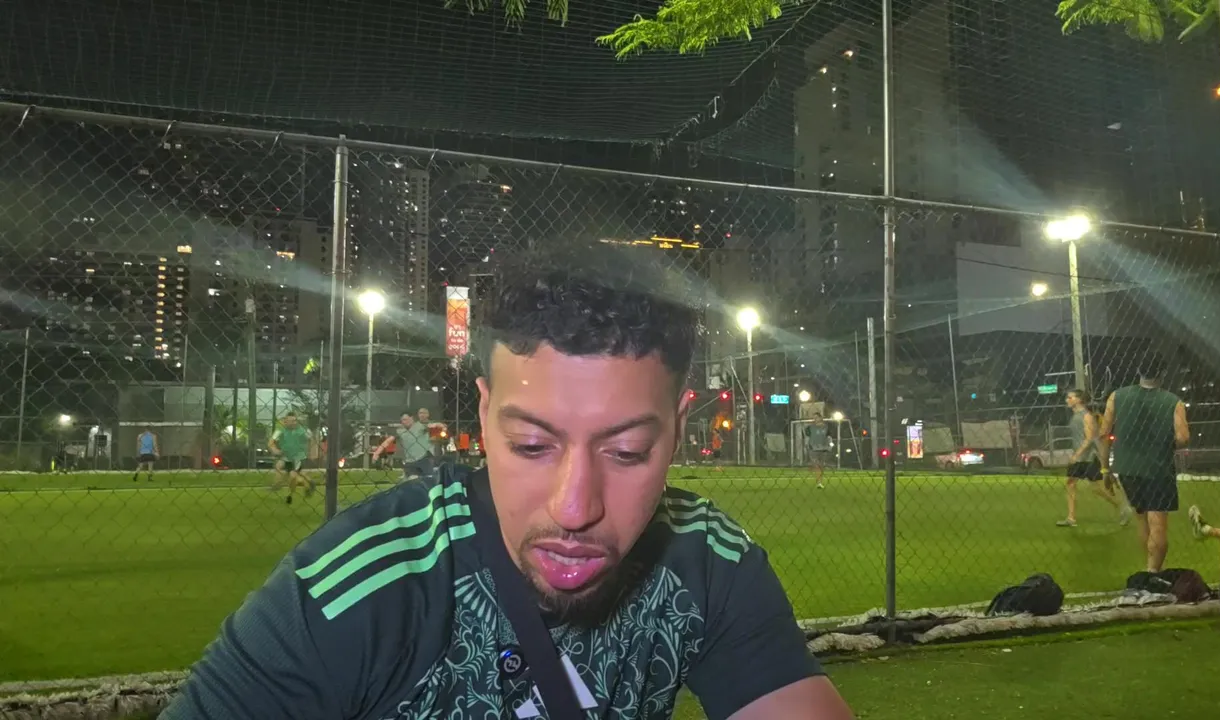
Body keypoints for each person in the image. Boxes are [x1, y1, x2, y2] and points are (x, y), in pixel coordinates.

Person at [161, 250, 852, 720]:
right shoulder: (359, 592)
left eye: (627, 452)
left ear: (677, 428)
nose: (574, 509)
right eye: (531, 446)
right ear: (486, 416)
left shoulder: (706, 561)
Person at [1098, 355, 1190, 572]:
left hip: (1128, 469)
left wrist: (1104, 468)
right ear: (1162, 373)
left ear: (1139, 371)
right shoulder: (1173, 401)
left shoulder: (1117, 396)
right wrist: (1164, 442)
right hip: (1158, 470)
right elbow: (1183, 438)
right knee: (1158, 524)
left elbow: (1103, 434)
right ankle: (1153, 571)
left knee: (1142, 520)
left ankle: (1151, 569)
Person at [1056, 390, 1131, 527]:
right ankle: (1071, 518)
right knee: (1070, 483)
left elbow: (1090, 438)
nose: (1067, 400)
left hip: (1088, 458)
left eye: (1070, 397)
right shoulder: (1075, 416)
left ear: (1079, 400)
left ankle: (1121, 506)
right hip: (1079, 458)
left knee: (1096, 488)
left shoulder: (1086, 416)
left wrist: (1077, 454)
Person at [372, 410, 436, 480]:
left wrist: (440, 427)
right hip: (410, 461)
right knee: (411, 480)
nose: (403, 422)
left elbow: (434, 426)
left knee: (429, 479)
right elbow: (387, 441)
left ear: (411, 418)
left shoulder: (421, 426)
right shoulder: (400, 431)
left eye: (405, 419)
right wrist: (377, 453)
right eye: (402, 420)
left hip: (424, 458)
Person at [269, 412, 315, 505]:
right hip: (285, 456)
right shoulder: (280, 431)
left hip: (298, 457)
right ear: (285, 422)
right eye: (291, 421)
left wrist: (310, 451)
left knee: (293, 476)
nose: (293, 423)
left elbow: (312, 439)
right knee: (278, 466)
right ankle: (278, 484)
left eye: (295, 420)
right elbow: (271, 442)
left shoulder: (302, 430)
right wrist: (275, 450)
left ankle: (291, 494)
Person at [807, 413, 830, 489]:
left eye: (816, 417)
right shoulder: (810, 428)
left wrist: (830, 446)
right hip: (813, 449)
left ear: (820, 418)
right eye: (813, 418)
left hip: (823, 449)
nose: (815, 419)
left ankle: (820, 481)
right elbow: (807, 437)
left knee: (821, 466)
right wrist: (808, 445)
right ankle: (819, 483)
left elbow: (829, 438)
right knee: (817, 466)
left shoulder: (826, 427)